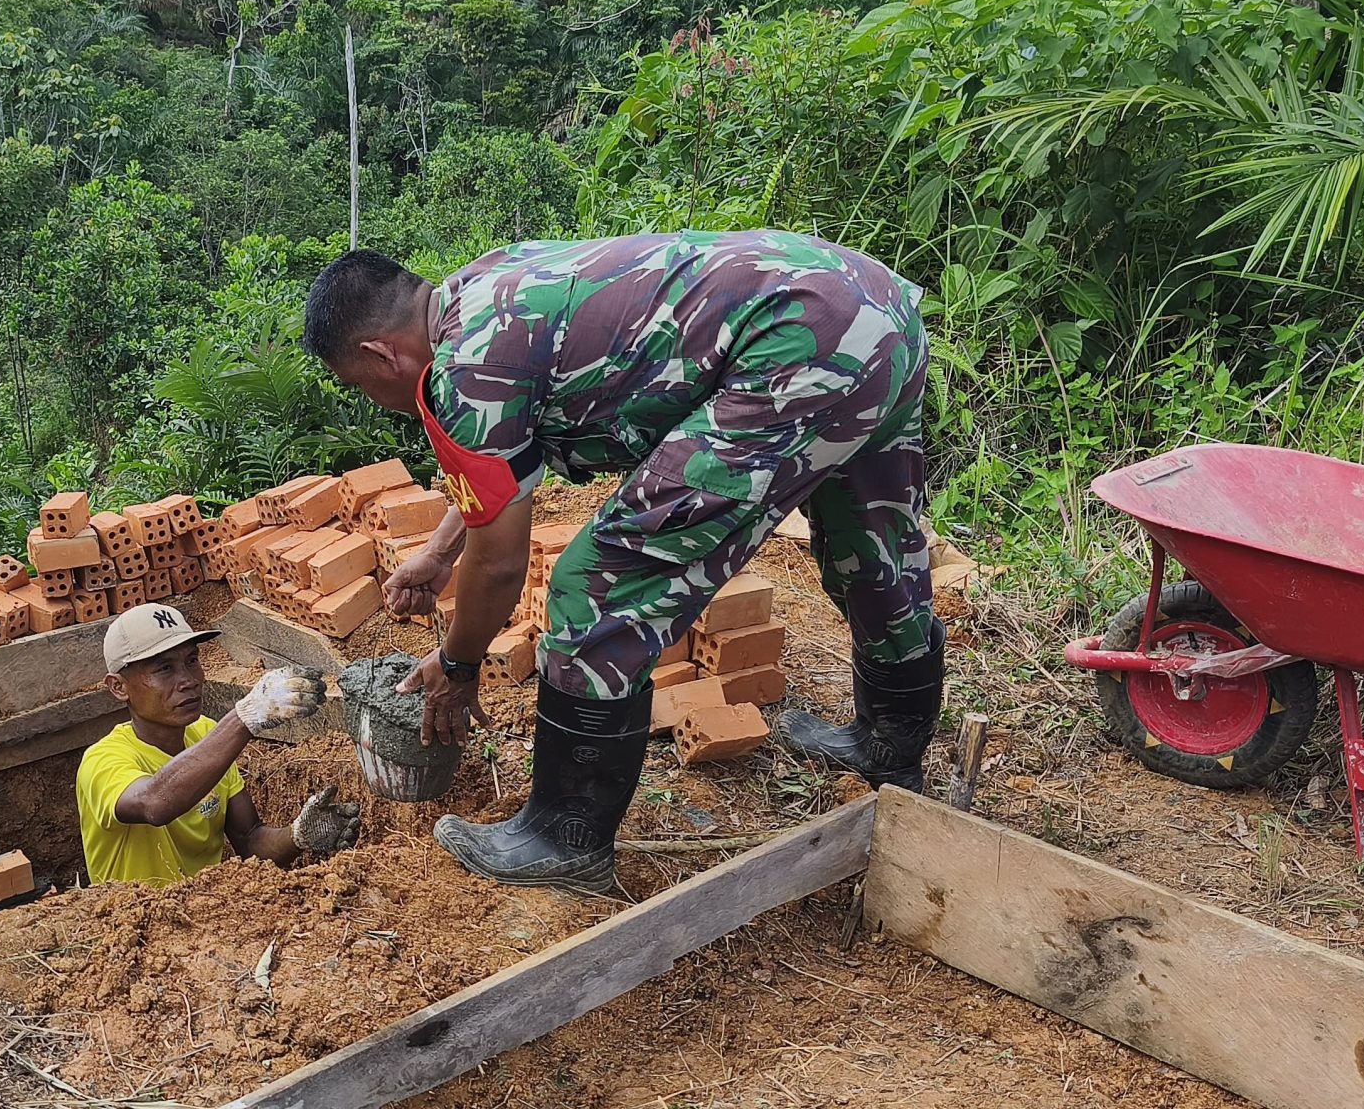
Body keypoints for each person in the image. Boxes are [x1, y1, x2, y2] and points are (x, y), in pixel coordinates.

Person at [299, 230, 942, 893]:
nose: (375, 398)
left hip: (793, 348)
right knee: (872, 540)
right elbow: (503, 476)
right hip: (872, 309)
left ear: (381, 355)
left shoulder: (469, 371)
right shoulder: (485, 291)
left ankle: (564, 836)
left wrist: (460, 666)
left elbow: (498, 564)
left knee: (596, 584)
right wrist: (438, 551)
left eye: (361, 385)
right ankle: (888, 747)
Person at [75, 603, 359, 886]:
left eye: (191, 660)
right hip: (136, 923)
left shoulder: (206, 734)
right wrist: (244, 718)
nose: (188, 680)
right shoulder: (102, 760)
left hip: (208, 917)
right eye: (164, 669)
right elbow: (153, 803)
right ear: (118, 687)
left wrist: (298, 834)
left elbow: (249, 840)